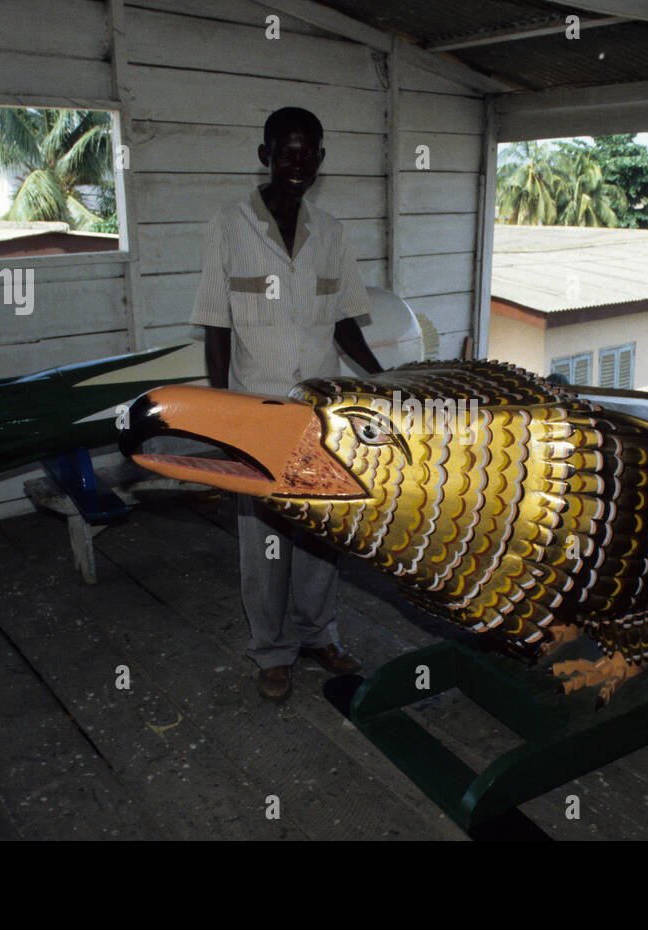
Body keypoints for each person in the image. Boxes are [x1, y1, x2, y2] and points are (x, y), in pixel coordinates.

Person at [191, 107, 384, 704]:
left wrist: (383, 379)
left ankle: (318, 634)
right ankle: (272, 650)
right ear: (265, 154)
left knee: (321, 531)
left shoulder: (332, 232)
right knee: (265, 539)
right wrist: (222, 414)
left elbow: (345, 319)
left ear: (321, 160)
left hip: (321, 415)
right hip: (258, 413)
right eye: (286, 151)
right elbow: (216, 326)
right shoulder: (228, 226)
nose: (297, 162)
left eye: (309, 152)